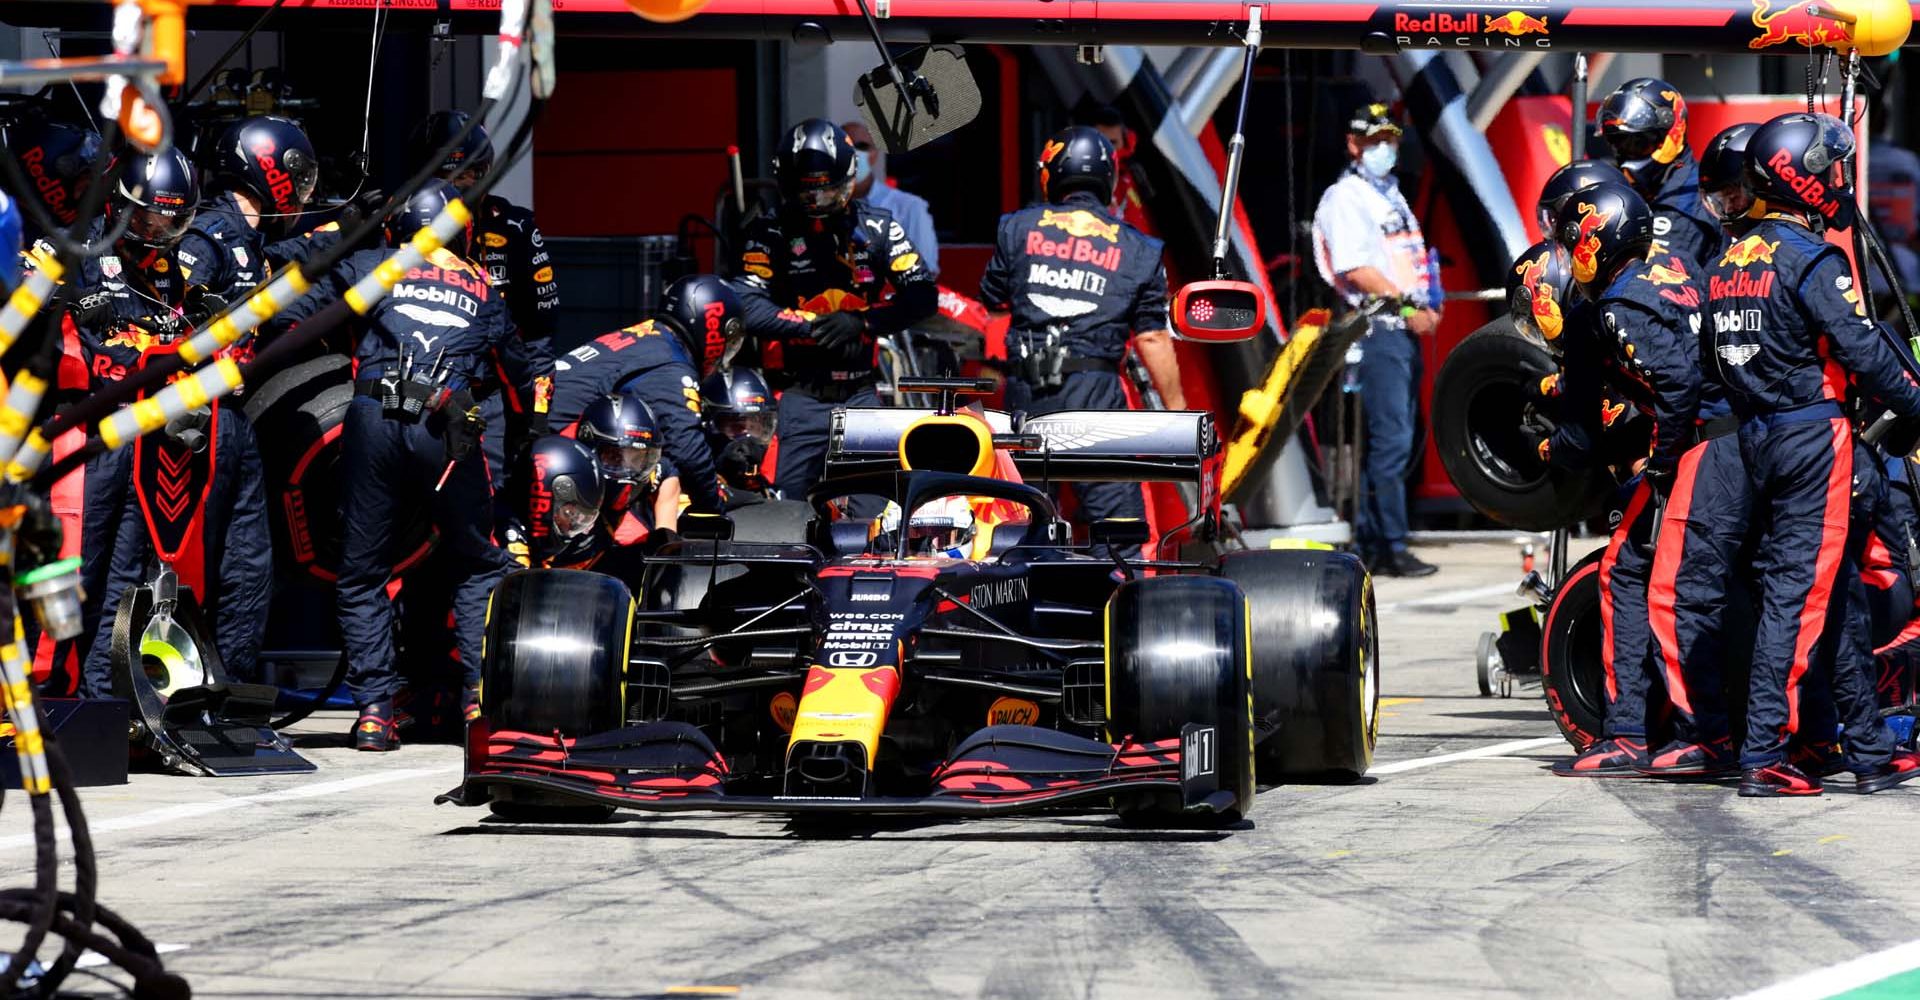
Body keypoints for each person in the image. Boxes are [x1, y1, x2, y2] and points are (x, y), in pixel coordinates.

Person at [272, 180, 551, 751]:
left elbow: (288, 318)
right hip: (446, 426)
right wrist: (520, 436)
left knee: (362, 573)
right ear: (461, 232)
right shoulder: (481, 285)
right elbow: (520, 381)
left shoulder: (374, 264)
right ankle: (477, 702)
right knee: (476, 563)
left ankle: (374, 713)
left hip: (372, 416)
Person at [1705, 112, 1920, 795]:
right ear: (1799, 175)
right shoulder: (1811, 258)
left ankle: (1867, 749)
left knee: (1839, 598)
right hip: (1811, 441)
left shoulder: (1731, 258)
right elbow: (1866, 354)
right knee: (1796, 598)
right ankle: (1763, 752)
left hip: (1759, 438)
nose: (1837, 181)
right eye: (1828, 168)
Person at [40, 148, 272, 695]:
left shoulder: (172, 268)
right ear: (122, 204)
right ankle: (37, 693)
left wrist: (198, 323)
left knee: (124, 582)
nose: (159, 227)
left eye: (173, 217)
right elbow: (16, 296)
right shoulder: (72, 245)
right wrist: (65, 298)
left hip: (146, 443)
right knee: (71, 573)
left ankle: (101, 703)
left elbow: (166, 339)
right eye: (148, 215)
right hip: (84, 435)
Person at [1537, 181, 1705, 777]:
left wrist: (1656, 465)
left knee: (1629, 573)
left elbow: (1681, 391)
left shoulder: (1614, 307)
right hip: (1759, 441)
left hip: (1708, 452)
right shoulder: (1679, 271)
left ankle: (1640, 731)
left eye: (1570, 242)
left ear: (1595, 240)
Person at [979, 124, 1183, 559]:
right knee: (1120, 539)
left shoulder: (1016, 228)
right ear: (1108, 179)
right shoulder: (1140, 249)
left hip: (1025, 397)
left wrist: (991, 388)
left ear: (1051, 174)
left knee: (1015, 529)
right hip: (1095, 402)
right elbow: (1151, 337)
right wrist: (1179, 411)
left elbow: (994, 309)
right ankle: (1119, 614)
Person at [733, 118, 936, 502]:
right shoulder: (768, 232)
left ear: (848, 177)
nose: (816, 202)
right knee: (788, 511)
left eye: (826, 192)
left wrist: (862, 322)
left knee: (873, 512)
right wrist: (813, 327)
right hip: (800, 395)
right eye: (807, 193)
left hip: (861, 392)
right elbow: (746, 303)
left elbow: (923, 295)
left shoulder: (878, 227)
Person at [1310, 103, 1441, 577]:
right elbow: (1355, 267)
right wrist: (1408, 305)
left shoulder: (1389, 193)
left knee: (1392, 442)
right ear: (1353, 143)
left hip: (1399, 329)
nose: (1385, 148)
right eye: (1374, 140)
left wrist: (1424, 303)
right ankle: (1392, 545)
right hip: (1376, 329)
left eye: (1390, 139)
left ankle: (1368, 540)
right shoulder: (1347, 197)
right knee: (1391, 442)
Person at [409, 110, 560, 490]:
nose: (466, 184)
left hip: (495, 394)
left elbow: (538, 334)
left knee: (492, 492)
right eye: (452, 176)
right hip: (419, 390)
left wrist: (535, 413)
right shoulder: (400, 225)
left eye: (474, 173)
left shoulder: (515, 227)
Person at [549, 274, 732, 513]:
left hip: (539, 430)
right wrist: (715, 508)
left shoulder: (647, 337)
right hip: (550, 444)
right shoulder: (670, 363)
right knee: (657, 468)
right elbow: (688, 451)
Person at [177, 115, 317, 306]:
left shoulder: (249, 236)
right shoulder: (206, 240)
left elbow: (297, 251)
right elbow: (179, 321)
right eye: (301, 181)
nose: (303, 193)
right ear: (273, 169)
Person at [1596, 78, 1719, 268]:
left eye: (1638, 143)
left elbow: (1660, 281)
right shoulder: (1625, 189)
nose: (1626, 155)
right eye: (1618, 144)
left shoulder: (1690, 202)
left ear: (1670, 135)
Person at [842, 121, 939, 279]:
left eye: (862, 147)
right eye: (847, 147)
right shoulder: (820, 209)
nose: (855, 153)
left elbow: (925, 272)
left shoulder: (910, 208)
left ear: (875, 153)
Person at [502, 435, 608, 571]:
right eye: (569, 513)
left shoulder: (533, 551)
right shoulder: (500, 544)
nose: (577, 528)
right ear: (542, 499)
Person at [701, 366, 777, 502]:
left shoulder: (772, 488)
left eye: (754, 425)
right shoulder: (694, 491)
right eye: (736, 426)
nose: (747, 441)